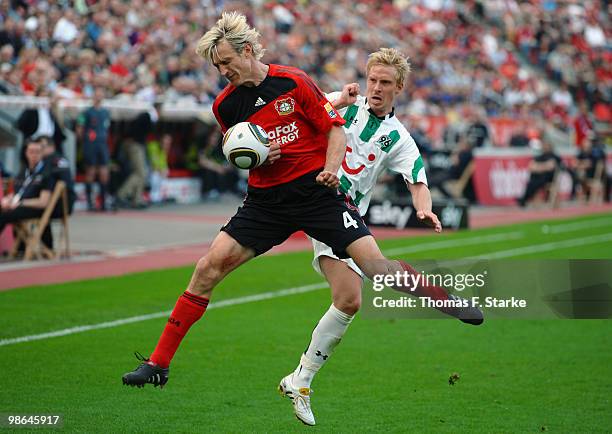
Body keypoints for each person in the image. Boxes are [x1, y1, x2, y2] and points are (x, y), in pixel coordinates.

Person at [121, 12, 482, 422]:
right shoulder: (226, 105)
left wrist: (333, 171)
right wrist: (256, 158)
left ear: (247, 51)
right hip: (266, 201)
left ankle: (444, 300)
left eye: (226, 62)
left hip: (318, 195)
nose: (222, 72)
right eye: (216, 66)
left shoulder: (293, 81)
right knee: (207, 268)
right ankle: (158, 363)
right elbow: (243, 147)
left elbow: (334, 130)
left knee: (375, 271)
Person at [281, 48, 482, 426]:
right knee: (373, 276)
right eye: (372, 80)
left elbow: (417, 178)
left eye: (385, 83)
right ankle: (445, 300)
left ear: (399, 88)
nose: (375, 88)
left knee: (350, 300)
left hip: (348, 216)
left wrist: (424, 207)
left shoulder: (399, 137)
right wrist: (339, 98)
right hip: (320, 206)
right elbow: (299, 110)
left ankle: (299, 380)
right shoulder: (344, 107)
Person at [0, 138, 54, 249]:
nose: (34, 155)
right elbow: (15, 192)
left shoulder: (47, 173)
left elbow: (43, 202)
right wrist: (6, 200)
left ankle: (21, 247)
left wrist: (20, 203)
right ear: (26, 153)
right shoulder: (23, 171)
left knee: (4, 215)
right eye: (31, 152)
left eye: (37, 152)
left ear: (42, 154)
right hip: (18, 204)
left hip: (34, 207)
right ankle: (21, 247)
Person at [76, 87, 112, 211]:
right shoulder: (86, 112)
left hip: (102, 144)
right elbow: (79, 128)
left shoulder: (106, 112)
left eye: (101, 94)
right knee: (90, 171)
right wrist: (85, 140)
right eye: (97, 94)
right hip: (90, 144)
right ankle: (90, 202)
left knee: (104, 172)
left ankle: (103, 202)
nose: (99, 97)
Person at [517, 139, 561, 207]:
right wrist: (543, 167)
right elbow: (531, 166)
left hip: (549, 178)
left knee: (534, 182)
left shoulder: (554, 156)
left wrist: (539, 167)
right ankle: (523, 199)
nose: (545, 147)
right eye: (544, 145)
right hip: (538, 177)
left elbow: (551, 166)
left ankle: (523, 199)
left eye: (546, 145)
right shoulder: (540, 156)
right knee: (531, 182)